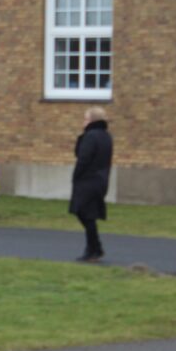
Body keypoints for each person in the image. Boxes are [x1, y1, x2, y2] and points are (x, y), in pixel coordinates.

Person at [69, 106, 113, 262]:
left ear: (91, 120)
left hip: (87, 180)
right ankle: (94, 247)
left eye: (85, 118)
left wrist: (76, 176)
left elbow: (82, 157)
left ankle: (94, 249)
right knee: (89, 215)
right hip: (101, 180)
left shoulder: (90, 137)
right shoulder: (106, 136)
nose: (83, 121)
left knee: (84, 213)